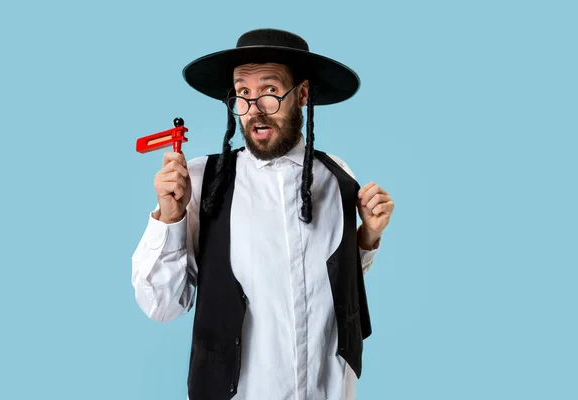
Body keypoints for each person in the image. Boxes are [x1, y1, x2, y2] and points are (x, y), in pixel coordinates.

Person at [131, 28, 395, 400]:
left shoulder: (337, 177)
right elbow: (161, 305)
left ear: (302, 95)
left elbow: (334, 281)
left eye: (269, 91)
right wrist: (170, 217)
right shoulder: (202, 182)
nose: (254, 109)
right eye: (243, 93)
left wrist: (367, 235)